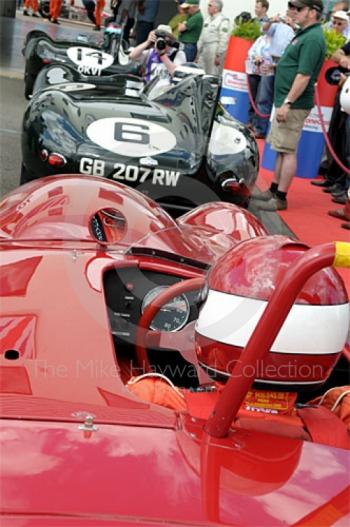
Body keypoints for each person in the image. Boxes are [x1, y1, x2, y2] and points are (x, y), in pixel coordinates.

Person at [254, 0, 326, 211]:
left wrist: (288, 103)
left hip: (293, 103)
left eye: (299, 9)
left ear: (312, 12)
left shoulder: (313, 38)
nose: (293, 12)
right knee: (280, 148)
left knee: (287, 150)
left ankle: (281, 197)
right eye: (292, 8)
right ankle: (274, 191)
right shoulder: (305, 34)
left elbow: (304, 76)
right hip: (286, 100)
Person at [196, 0, 230, 75]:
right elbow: (202, 35)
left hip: (214, 48)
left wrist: (219, 54)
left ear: (216, 9)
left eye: (210, 6)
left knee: (212, 73)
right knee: (200, 71)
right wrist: (198, 50)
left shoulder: (223, 20)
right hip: (204, 48)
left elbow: (224, 39)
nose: (208, 7)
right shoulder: (208, 19)